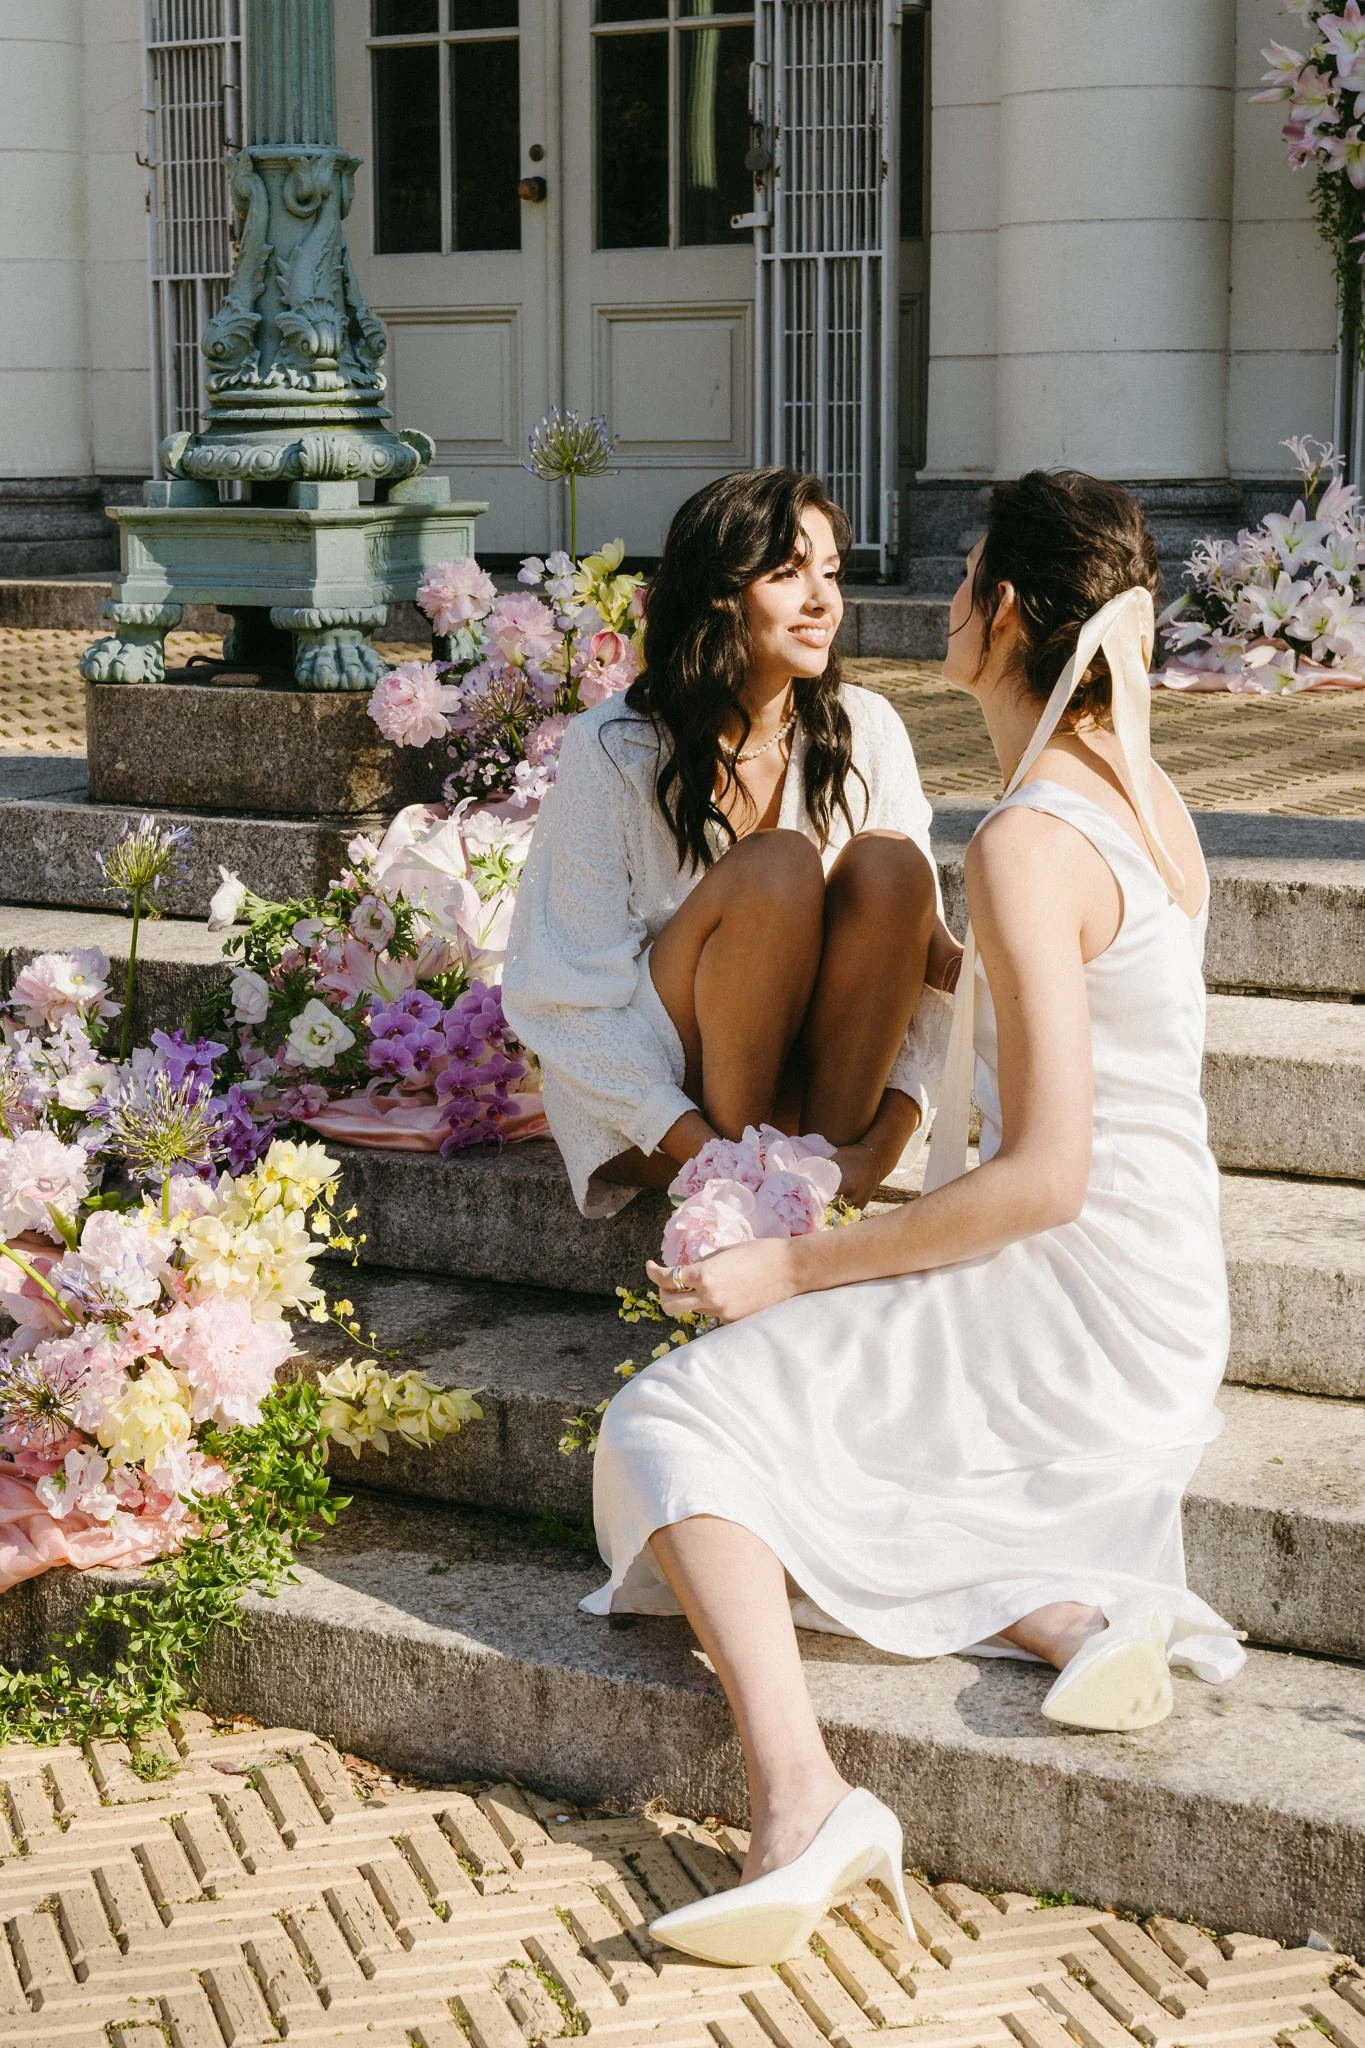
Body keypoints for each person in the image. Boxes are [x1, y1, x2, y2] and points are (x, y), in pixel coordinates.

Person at [582, 470, 1246, 1969]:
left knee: (668, 1424)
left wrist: (795, 1263)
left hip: (1064, 1286)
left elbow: (1045, 1174)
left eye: (959, 582)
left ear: (1002, 613)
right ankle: (1065, 1613)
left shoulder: (1027, 837)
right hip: (1160, 1288)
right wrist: (900, 958)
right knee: (803, 1441)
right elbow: (1052, 1001)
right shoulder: (1150, 801)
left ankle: (802, 1800)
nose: (938, 605)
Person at [503, 467, 960, 1216]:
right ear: (718, 591)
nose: (823, 600)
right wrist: (713, 1158)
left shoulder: (868, 727)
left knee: (891, 867)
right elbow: (565, 999)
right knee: (777, 865)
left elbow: (923, 979)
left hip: (819, 1107)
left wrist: (877, 1152)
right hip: (659, 1109)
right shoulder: (613, 747)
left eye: (830, 573)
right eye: (787, 573)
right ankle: (759, 1184)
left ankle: (814, 1185)